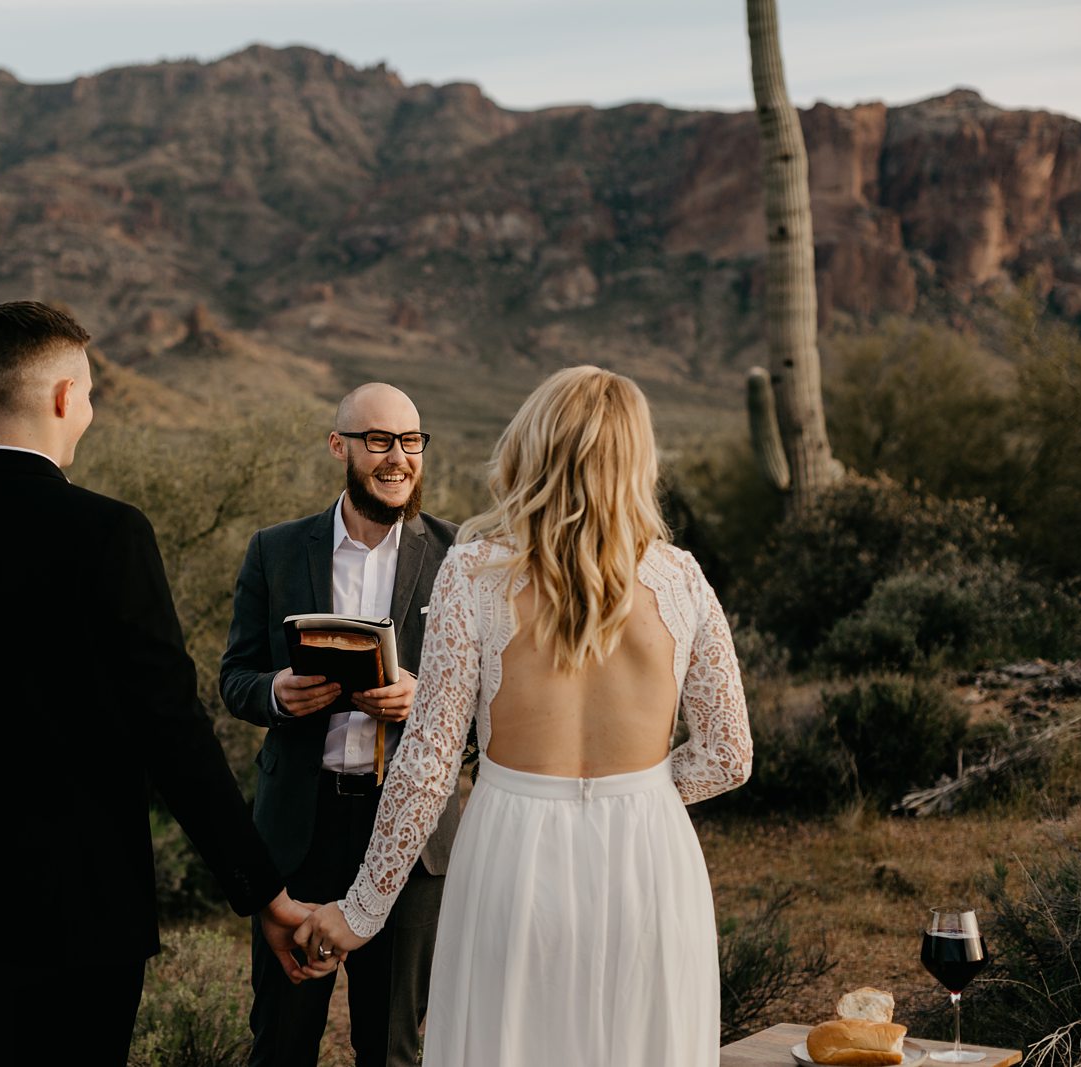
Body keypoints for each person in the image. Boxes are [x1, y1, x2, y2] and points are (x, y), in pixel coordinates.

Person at [0, 302, 326, 1066]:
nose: (93, 408)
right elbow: (173, 731)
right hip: (85, 916)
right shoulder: (110, 534)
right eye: (91, 391)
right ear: (61, 396)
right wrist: (262, 892)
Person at [296, 366, 753, 1067]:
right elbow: (729, 754)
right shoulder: (682, 578)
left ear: (530, 449)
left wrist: (358, 912)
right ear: (639, 459)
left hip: (513, 853)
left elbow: (426, 766)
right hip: (650, 861)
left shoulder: (473, 573)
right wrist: (643, 793)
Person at [220, 383, 460, 1067]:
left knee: (392, 1048)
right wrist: (275, 692)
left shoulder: (458, 558)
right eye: (379, 440)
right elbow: (234, 677)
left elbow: (491, 711)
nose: (398, 457)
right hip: (300, 831)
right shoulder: (275, 550)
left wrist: (426, 699)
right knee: (282, 1041)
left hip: (409, 840)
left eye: (411, 441)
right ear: (340, 446)